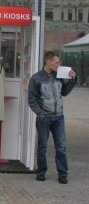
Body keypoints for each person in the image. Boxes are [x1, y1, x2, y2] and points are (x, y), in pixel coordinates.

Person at [28, 51, 77, 184]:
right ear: (48, 62)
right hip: (45, 118)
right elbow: (31, 100)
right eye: (57, 62)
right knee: (42, 146)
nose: (59, 64)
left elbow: (65, 92)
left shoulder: (59, 76)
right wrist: (40, 114)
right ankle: (41, 172)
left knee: (61, 147)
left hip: (59, 117)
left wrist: (73, 79)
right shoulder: (36, 78)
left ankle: (62, 174)